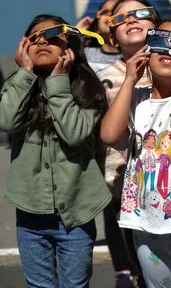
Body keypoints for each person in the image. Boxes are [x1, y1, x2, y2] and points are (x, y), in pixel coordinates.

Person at [0, 15, 111, 287]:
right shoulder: (19, 84)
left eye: (52, 37)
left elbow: (74, 134)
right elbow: (6, 120)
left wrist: (58, 82)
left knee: (75, 284)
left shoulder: (88, 88)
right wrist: (24, 74)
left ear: (69, 46)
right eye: (35, 38)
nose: (43, 42)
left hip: (76, 212)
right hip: (31, 213)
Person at [100, 18, 171, 287]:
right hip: (145, 224)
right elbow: (110, 135)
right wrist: (131, 78)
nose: (168, 49)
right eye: (160, 42)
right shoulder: (137, 99)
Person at [98, 0, 160, 287]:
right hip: (124, 194)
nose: (131, 20)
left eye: (141, 13)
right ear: (112, 36)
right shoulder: (104, 80)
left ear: (157, 24)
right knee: (140, 271)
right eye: (120, 18)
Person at [77, 0, 121, 73]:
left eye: (116, 13)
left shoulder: (133, 55)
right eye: (105, 12)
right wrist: (77, 33)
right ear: (96, 28)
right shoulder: (85, 55)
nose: (110, 16)